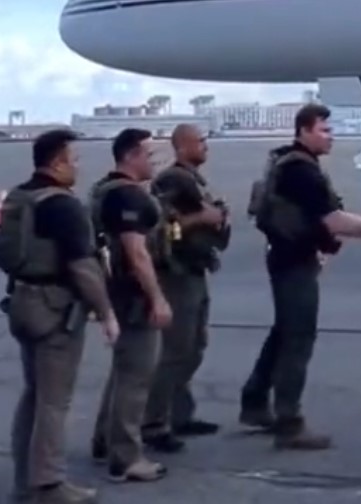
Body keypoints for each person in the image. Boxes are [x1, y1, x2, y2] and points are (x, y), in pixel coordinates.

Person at [241, 103, 361, 450]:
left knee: (283, 332)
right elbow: (335, 221)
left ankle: (255, 404)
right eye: (324, 130)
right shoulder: (303, 171)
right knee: (297, 339)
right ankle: (289, 423)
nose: (330, 137)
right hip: (293, 262)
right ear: (303, 131)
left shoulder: (286, 160)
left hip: (284, 256)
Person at [0, 128, 119, 504]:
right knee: (54, 401)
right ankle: (48, 484)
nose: (77, 168)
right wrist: (106, 312)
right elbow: (83, 266)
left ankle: (25, 480)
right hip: (54, 306)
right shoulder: (62, 204)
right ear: (57, 163)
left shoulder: (20, 197)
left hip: (22, 300)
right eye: (74, 160)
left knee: (34, 395)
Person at [89, 128, 173, 482]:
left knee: (123, 370)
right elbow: (137, 253)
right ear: (130, 156)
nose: (154, 161)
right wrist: (157, 298)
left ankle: (104, 441)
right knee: (137, 376)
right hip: (133, 294)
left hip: (114, 289)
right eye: (149, 154)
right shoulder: (128, 197)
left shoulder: (103, 190)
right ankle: (126, 457)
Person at [142, 124, 228, 453]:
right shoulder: (172, 181)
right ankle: (154, 422)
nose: (206, 146)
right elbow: (162, 229)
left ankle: (178, 413)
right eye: (200, 141)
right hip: (175, 274)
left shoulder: (191, 181)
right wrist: (204, 219)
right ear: (181, 147)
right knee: (176, 350)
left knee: (195, 346)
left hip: (194, 270)